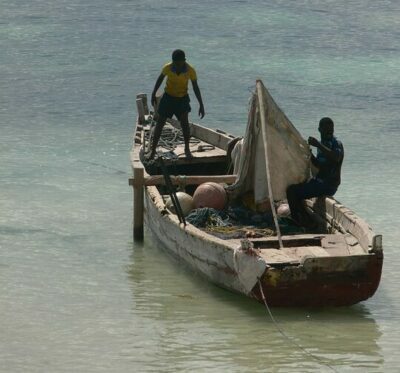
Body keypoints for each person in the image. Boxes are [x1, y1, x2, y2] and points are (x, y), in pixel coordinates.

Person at [146, 49, 205, 160]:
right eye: (175, 63)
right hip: (168, 98)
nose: (177, 65)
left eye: (179, 63)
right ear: (172, 61)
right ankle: (153, 151)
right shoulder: (168, 67)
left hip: (182, 99)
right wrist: (153, 93)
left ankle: (187, 149)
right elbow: (160, 79)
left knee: (185, 124)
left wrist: (201, 104)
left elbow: (195, 87)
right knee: (160, 124)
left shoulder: (190, 70)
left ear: (184, 61)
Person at [286, 117, 344, 226]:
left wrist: (318, 145)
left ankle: (298, 221)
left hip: (328, 185)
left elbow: (336, 157)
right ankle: (305, 219)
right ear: (319, 130)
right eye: (326, 131)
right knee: (294, 188)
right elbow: (319, 165)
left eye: (331, 131)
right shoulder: (323, 144)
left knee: (291, 191)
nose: (329, 133)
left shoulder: (336, 143)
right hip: (318, 183)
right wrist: (309, 153)